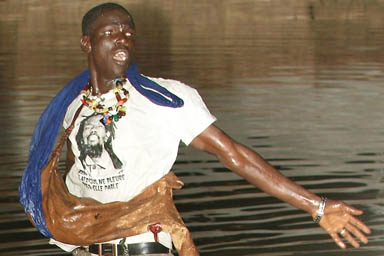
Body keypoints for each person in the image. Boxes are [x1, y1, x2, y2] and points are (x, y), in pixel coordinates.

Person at [23, 2, 370, 256]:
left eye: (128, 32)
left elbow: (232, 154)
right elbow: (74, 175)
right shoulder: (72, 106)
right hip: (86, 247)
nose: (122, 40)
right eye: (110, 33)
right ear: (87, 43)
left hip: (142, 246)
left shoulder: (166, 98)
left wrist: (316, 206)